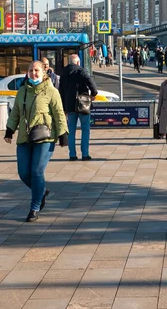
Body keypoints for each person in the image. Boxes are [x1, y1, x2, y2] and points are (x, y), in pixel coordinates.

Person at [5, 61, 68, 222]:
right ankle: (42, 191)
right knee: (24, 173)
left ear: (44, 72)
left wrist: (63, 134)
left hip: (45, 136)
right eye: (31, 70)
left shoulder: (51, 91)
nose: (34, 73)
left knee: (37, 172)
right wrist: (9, 130)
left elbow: (59, 113)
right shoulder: (22, 91)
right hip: (25, 137)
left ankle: (34, 208)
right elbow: (16, 113)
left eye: (37, 70)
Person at [59, 54, 99, 161]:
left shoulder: (63, 73)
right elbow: (91, 82)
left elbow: (61, 92)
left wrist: (63, 107)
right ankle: (85, 154)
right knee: (85, 129)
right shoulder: (81, 71)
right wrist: (93, 93)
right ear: (77, 62)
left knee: (71, 131)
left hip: (69, 105)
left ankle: (72, 155)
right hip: (83, 104)